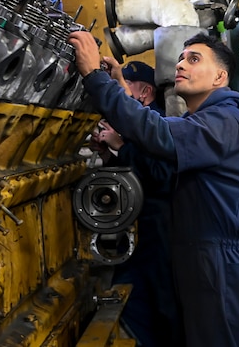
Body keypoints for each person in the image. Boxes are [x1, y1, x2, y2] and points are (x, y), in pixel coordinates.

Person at [68, 30, 239, 347]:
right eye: (181, 58)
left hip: (217, 267)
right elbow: (157, 144)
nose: (181, 65)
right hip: (199, 262)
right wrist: (120, 88)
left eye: (194, 59)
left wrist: (93, 75)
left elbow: (157, 133)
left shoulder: (225, 122)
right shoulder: (203, 122)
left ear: (220, 77)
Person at [89, 59, 181, 347]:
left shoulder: (158, 126)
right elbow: (139, 175)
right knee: (135, 300)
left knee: (162, 307)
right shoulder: (144, 128)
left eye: (125, 86)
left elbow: (160, 176)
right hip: (145, 234)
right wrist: (110, 156)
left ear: (144, 93)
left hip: (161, 232)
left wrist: (121, 146)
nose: (120, 99)